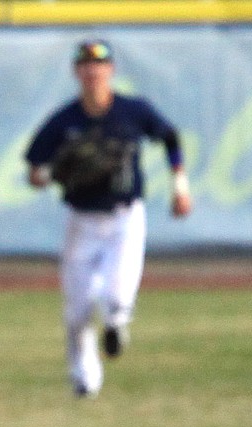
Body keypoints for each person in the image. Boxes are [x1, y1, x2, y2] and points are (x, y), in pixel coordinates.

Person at [25, 38, 192, 398]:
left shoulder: (132, 111)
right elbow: (34, 170)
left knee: (117, 295)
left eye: (99, 63)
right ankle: (85, 379)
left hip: (124, 217)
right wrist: (54, 173)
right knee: (77, 310)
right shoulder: (65, 120)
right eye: (85, 64)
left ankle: (116, 325)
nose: (92, 70)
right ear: (76, 72)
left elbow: (170, 136)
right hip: (81, 219)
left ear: (111, 69)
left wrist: (180, 186)